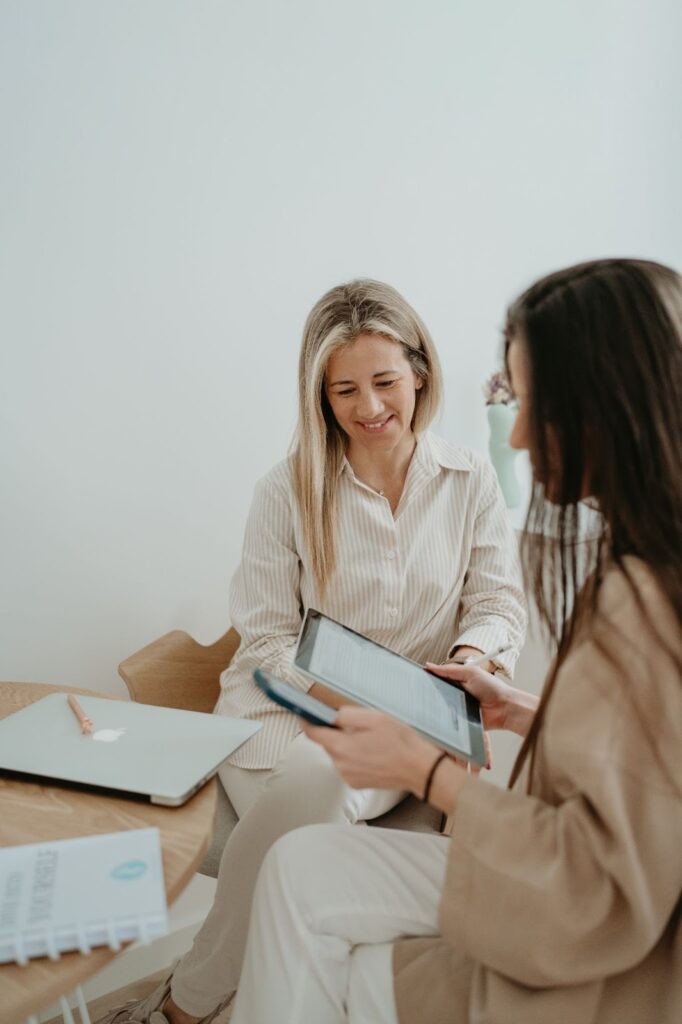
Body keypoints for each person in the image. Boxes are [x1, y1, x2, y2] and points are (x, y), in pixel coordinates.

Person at [230, 258, 682, 1024]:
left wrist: (427, 764)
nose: (525, 437)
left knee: (308, 871)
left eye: (534, 403)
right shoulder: (638, 568)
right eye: (345, 389)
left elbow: (598, 871)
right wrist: (520, 709)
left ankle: (195, 998)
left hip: (581, 926)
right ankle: (198, 994)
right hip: (322, 722)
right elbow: (648, 758)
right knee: (302, 838)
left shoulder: (635, 595)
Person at [99, 279, 526, 1024]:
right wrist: (357, 705)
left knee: (318, 818)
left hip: (409, 733)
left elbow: (496, 603)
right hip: (282, 717)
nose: (369, 408)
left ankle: (186, 1002)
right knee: (318, 773)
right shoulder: (287, 491)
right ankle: (212, 1002)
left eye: (385, 381)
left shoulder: (470, 477)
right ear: (319, 396)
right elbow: (265, 642)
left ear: (420, 372)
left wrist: (472, 660)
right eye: (344, 390)